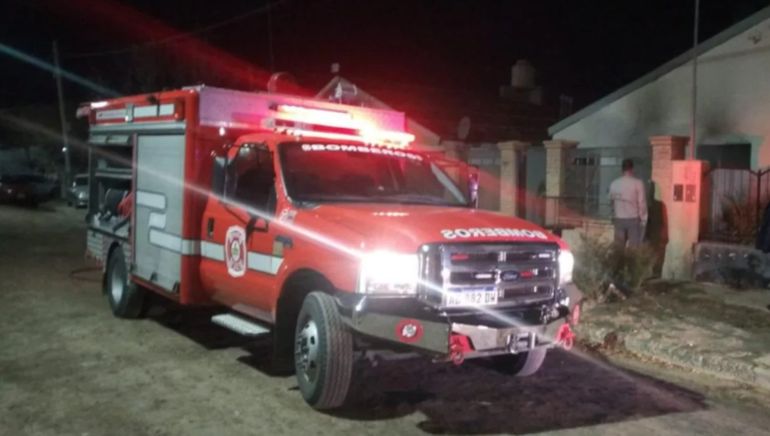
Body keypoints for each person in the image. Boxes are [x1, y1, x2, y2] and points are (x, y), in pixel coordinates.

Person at [609, 159, 647, 248]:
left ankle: (618, 262)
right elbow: (642, 203)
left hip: (619, 219)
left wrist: (613, 215)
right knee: (634, 249)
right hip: (633, 219)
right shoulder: (638, 183)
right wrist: (644, 219)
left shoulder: (614, 183)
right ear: (632, 169)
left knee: (619, 249)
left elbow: (611, 202)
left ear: (622, 169)